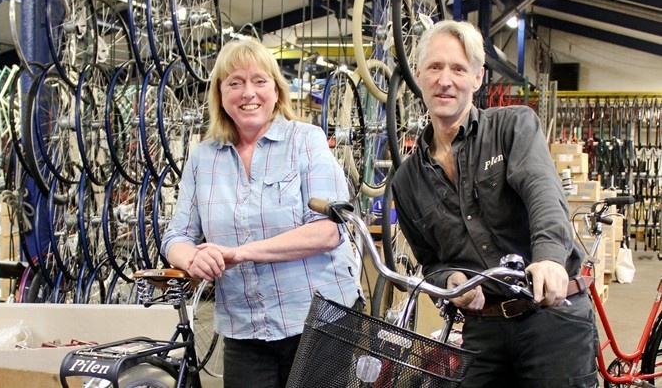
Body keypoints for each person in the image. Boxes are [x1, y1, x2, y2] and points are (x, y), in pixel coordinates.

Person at [391, 20, 598, 388]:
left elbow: (543, 192)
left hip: (550, 316)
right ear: (418, 74)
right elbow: (431, 262)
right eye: (435, 67)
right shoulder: (407, 181)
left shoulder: (513, 127)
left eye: (458, 68)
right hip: (484, 329)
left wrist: (549, 257)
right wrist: (452, 280)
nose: (445, 80)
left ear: (477, 78)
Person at [161, 38, 363, 388]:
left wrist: (240, 254)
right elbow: (175, 237)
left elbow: (328, 231)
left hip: (320, 321)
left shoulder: (306, 141)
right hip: (245, 327)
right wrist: (192, 259)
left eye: (259, 81)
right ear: (220, 94)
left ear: (276, 89)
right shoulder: (203, 159)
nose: (247, 93)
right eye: (235, 83)